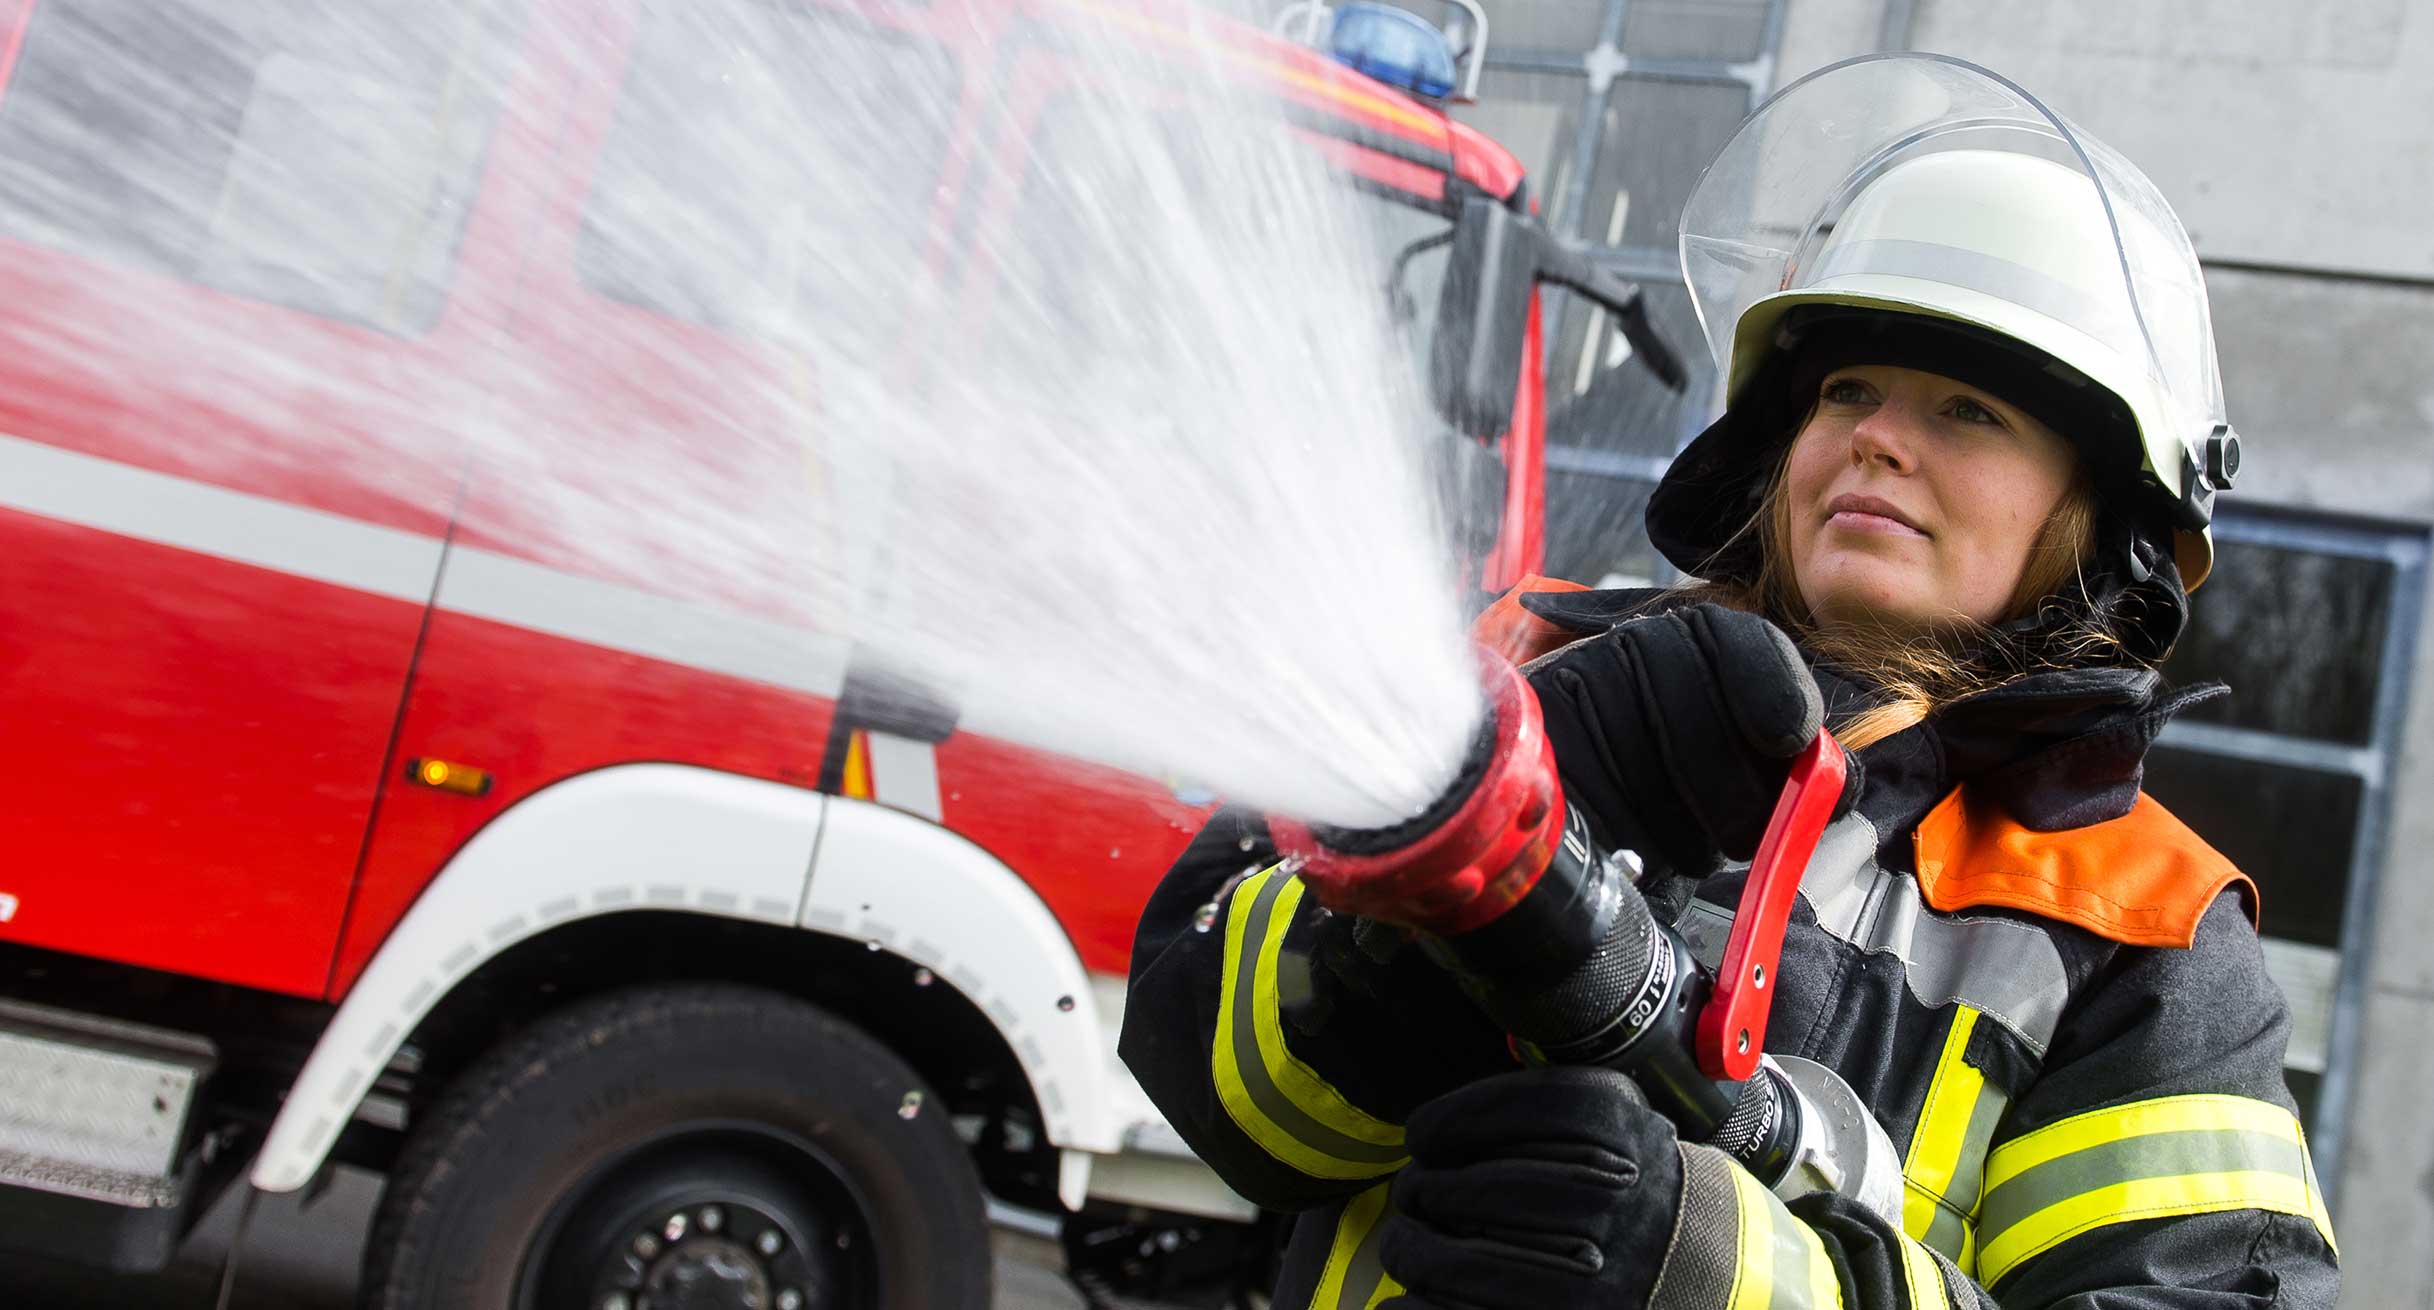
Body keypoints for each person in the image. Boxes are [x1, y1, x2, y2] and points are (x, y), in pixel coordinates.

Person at [1120, 54, 2340, 1309]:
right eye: (1846, 388)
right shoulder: (1517, 674)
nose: (1874, 433)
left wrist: (1721, 1269)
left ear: (2095, 515)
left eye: (1969, 409)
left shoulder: (2150, 936)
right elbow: (1213, 1085)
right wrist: (1493, 818)